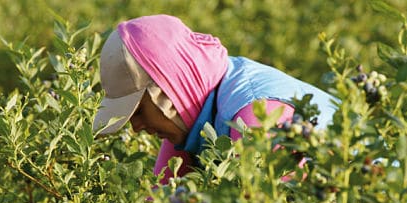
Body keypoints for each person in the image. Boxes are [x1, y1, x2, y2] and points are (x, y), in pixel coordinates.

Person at [93, 14, 338, 184]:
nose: (136, 128)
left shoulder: (253, 117)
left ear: (166, 91)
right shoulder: (189, 123)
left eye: (138, 111)